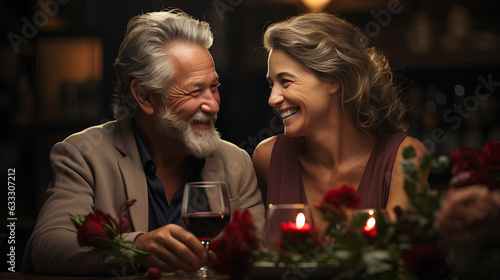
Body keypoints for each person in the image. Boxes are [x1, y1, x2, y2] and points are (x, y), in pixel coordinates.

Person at [22, 10, 265, 275]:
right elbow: (47, 249)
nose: (214, 104)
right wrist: (137, 249)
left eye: (214, 87)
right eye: (195, 91)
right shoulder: (82, 155)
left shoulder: (236, 162)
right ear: (144, 96)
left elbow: (260, 255)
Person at [252, 13, 428, 224]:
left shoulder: (405, 157)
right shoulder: (268, 159)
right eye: (272, 84)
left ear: (333, 79)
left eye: (286, 81)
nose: (273, 99)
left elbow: (398, 252)